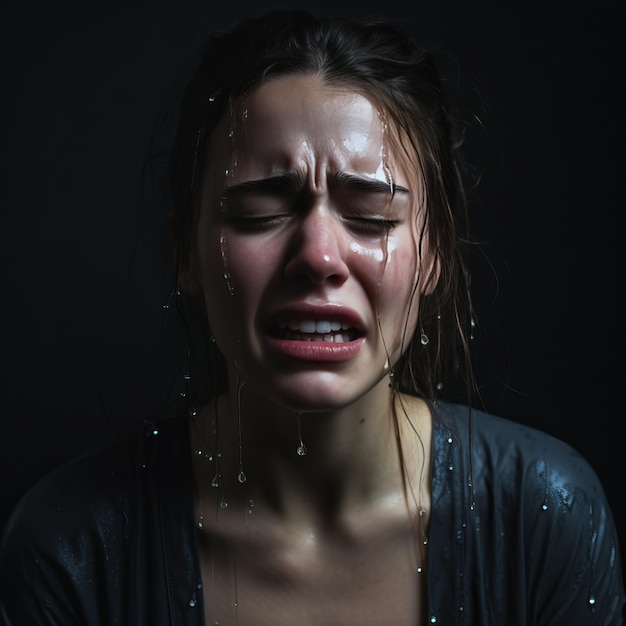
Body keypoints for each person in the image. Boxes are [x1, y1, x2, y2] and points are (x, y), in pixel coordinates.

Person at [0, 8, 624, 625]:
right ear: (186, 254)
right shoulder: (71, 546)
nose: (318, 257)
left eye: (373, 216)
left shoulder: (546, 515)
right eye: (257, 213)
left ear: (433, 252)